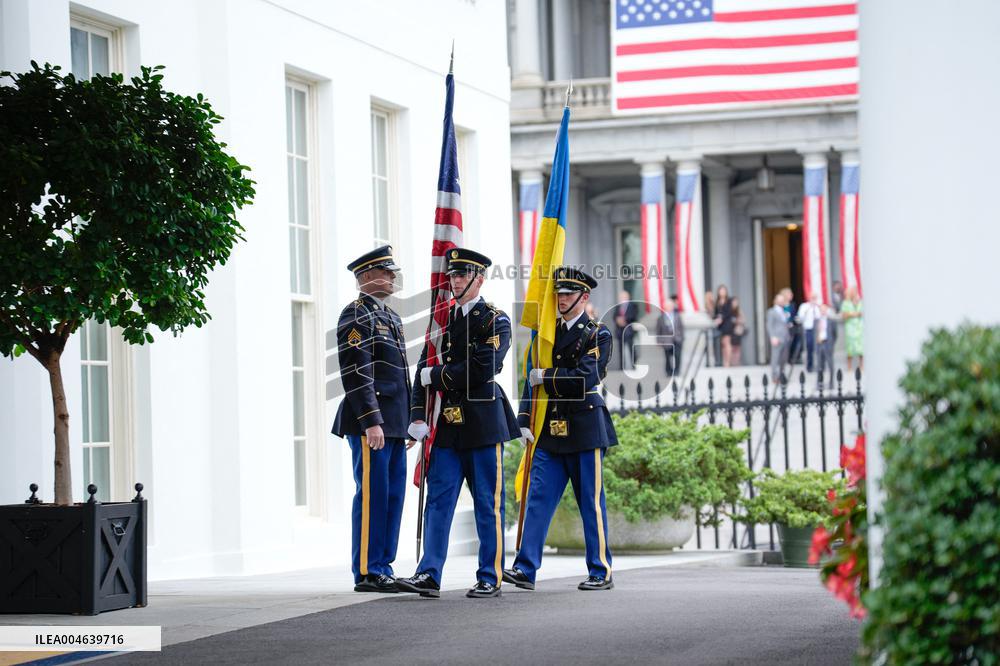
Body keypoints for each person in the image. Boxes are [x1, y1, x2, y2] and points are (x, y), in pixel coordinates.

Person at [397, 248, 520, 599]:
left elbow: (483, 368)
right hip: (447, 426)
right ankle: (429, 573)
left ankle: (490, 575)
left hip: (482, 423)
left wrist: (437, 376)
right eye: (452, 274)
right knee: (438, 501)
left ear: (479, 279)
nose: (455, 280)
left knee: (487, 503)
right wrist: (416, 415)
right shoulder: (442, 320)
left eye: (463, 274)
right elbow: (421, 371)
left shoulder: (495, 320)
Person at [504, 267, 617, 592]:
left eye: (568, 293)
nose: (562, 298)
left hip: (584, 428)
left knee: (590, 502)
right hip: (549, 428)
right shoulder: (547, 333)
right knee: (537, 498)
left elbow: (584, 378)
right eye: (559, 293)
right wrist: (524, 419)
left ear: (584, 297)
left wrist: (547, 376)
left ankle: (601, 569)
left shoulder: (597, 334)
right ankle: (525, 568)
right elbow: (530, 376)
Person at [331, 245, 411, 593]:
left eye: (392, 271)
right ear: (366, 276)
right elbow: (356, 371)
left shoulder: (391, 317)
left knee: (392, 496)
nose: (392, 277)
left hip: (393, 423)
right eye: (386, 271)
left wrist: (408, 422)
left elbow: (400, 376)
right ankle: (367, 569)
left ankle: (383, 565)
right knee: (373, 495)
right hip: (372, 423)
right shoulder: (356, 315)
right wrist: (371, 421)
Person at [656, 294, 684, 377]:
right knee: (667, 357)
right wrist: (659, 341)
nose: (668, 308)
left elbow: (681, 328)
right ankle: (668, 371)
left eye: (670, 306)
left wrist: (681, 338)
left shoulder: (677, 316)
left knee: (678, 356)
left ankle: (677, 371)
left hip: (677, 340)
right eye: (667, 306)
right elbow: (658, 330)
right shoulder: (661, 318)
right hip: (666, 341)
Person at [767, 292, 790, 383]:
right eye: (779, 300)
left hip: (785, 338)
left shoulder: (784, 312)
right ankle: (774, 376)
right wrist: (772, 337)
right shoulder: (771, 312)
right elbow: (769, 325)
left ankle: (781, 374)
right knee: (775, 358)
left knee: (783, 359)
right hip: (777, 338)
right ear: (775, 301)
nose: (781, 301)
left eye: (782, 300)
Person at [796, 291, 821, 373]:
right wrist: (808, 309)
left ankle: (818, 365)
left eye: (815, 298)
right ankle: (809, 365)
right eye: (812, 298)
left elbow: (819, 317)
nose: (813, 299)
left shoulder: (817, 307)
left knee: (818, 348)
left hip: (816, 330)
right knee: (809, 347)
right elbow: (800, 317)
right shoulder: (804, 306)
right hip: (808, 329)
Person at [815, 303, 839, 388]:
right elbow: (814, 333)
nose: (823, 311)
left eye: (824, 309)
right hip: (819, 344)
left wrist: (831, 343)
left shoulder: (831, 321)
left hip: (827, 344)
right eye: (821, 309)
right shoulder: (816, 321)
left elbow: (835, 334)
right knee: (819, 365)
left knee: (830, 364)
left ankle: (831, 383)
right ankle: (819, 383)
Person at [840, 286, 864, 372]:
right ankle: (849, 367)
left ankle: (861, 365)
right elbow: (844, 315)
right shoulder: (846, 303)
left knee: (861, 347)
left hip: (859, 327)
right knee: (850, 347)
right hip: (850, 328)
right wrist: (854, 314)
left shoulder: (860, 302)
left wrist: (855, 313)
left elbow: (862, 312)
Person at [613, 290, 638, 370]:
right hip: (620, 331)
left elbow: (634, 316)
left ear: (627, 297)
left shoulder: (633, 305)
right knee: (621, 350)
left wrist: (625, 319)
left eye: (623, 296)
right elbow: (614, 316)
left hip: (629, 331)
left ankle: (633, 365)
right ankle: (621, 367)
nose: (622, 298)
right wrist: (618, 320)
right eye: (621, 297)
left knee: (631, 349)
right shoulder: (618, 306)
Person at [713, 285, 736, 367]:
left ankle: (728, 362)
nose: (722, 292)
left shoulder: (729, 301)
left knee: (727, 342)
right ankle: (724, 361)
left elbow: (729, 312)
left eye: (723, 290)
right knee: (723, 343)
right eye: (721, 290)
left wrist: (721, 318)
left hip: (727, 324)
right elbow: (716, 313)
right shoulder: (717, 302)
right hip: (720, 326)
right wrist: (716, 319)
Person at [781, 288, 801, 365]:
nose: (791, 295)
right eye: (790, 294)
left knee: (793, 343)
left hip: (792, 328)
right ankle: (784, 359)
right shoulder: (781, 306)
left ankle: (792, 358)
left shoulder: (792, 305)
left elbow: (794, 316)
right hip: (783, 328)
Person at [729, 297, 746, 367]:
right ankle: (731, 362)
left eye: (736, 302)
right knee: (731, 347)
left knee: (737, 347)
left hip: (737, 331)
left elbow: (744, 320)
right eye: (734, 302)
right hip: (730, 331)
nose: (735, 303)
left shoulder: (739, 311)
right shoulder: (729, 310)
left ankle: (737, 362)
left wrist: (737, 321)